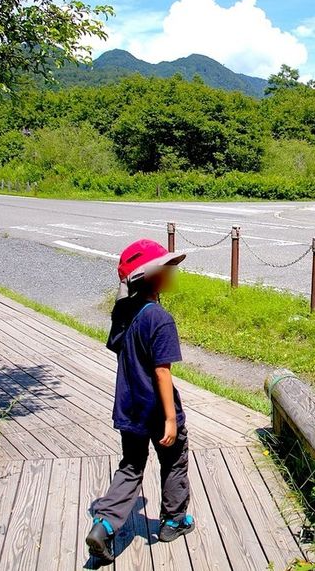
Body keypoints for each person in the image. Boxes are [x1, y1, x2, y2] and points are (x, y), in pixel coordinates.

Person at [85, 238, 194, 564]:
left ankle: (104, 524)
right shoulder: (159, 318)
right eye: (167, 269)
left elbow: (118, 341)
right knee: (173, 459)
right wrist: (171, 419)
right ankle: (173, 520)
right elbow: (162, 372)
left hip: (130, 406)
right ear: (154, 277)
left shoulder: (123, 312)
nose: (171, 273)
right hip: (158, 410)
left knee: (131, 466)